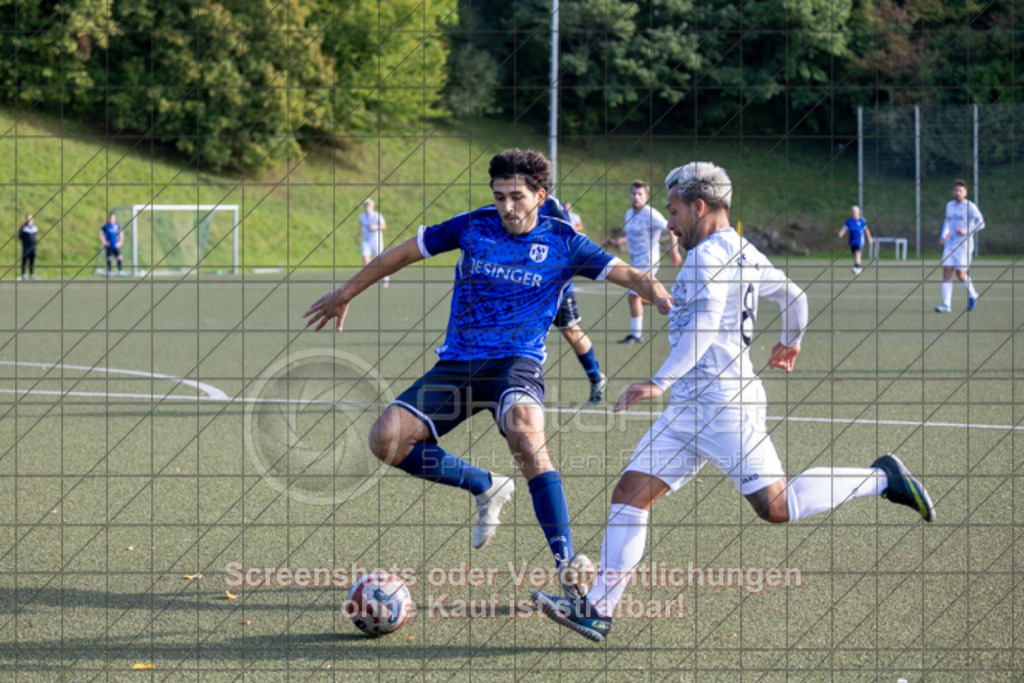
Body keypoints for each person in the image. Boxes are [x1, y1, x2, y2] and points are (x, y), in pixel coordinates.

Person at [533, 161, 935, 643]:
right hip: (691, 406)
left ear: (699, 207)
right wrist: (790, 340)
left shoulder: (706, 257)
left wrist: (657, 381)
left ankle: (882, 478)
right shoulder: (740, 249)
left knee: (776, 506)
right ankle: (598, 609)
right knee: (630, 495)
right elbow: (794, 297)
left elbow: (705, 327)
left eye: (676, 209)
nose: (672, 221)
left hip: (724, 405)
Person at [304, 149, 672, 594]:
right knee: (385, 439)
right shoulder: (473, 225)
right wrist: (346, 292)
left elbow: (630, 275)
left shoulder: (564, 241)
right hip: (458, 363)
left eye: (516, 196)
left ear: (540, 195)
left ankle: (566, 562)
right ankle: (485, 486)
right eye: (499, 197)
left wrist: (667, 299)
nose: (507, 207)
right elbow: (401, 255)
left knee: (524, 431)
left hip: (515, 363)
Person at [544, 198, 607, 404]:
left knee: (571, 331)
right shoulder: (508, 201)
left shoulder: (551, 205)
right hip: (523, 283)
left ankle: (596, 377)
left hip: (555, 282)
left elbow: (567, 239)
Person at [604, 180, 682, 343]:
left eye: (639, 194)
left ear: (646, 197)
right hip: (636, 260)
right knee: (638, 297)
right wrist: (616, 242)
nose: (636, 197)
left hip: (648, 260)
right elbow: (632, 235)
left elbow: (670, 228)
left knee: (633, 296)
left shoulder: (650, 214)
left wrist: (674, 251)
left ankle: (636, 335)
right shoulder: (629, 214)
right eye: (633, 193)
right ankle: (675, 303)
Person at [935, 179, 984, 312]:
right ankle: (946, 305)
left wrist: (966, 231)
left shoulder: (970, 206)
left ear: (965, 193)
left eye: (960, 190)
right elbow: (947, 221)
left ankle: (973, 294)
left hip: (964, 245)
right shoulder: (949, 205)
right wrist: (943, 235)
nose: (957, 192)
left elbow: (981, 223)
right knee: (947, 271)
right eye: (956, 190)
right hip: (950, 244)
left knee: (961, 274)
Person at [358, 198, 389, 287]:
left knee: (380, 260)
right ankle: (368, 280)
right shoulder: (362, 216)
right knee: (366, 260)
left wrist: (375, 227)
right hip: (366, 240)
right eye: (366, 205)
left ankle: (385, 278)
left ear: (372, 206)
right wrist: (359, 231)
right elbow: (363, 225)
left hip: (376, 241)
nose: (367, 207)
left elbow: (384, 226)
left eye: (369, 205)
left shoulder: (377, 216)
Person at [838, 205, 872, 275]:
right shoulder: (849, 221)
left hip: (860, 241)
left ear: (858, 212)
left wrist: (869, 238)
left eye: (855, 211)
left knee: (857, 253)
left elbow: (867, 230)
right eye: (853, 211)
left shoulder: (862, 221)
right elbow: (845, 228)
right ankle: (858, 267)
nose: (854, 213)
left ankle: (857, 267)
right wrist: (841, 233)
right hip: (852, 241)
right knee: (855, 254)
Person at [99, 212, 126, 277]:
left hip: (115, 245)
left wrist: (120, 242)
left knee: (119, 257)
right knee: (109, 258)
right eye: (111, 218)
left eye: (113, 218)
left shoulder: (117, 225)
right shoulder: (106, 226)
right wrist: (104, 241)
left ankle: (120, 271)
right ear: (109, 218)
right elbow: (100, 233)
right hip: (109, 246)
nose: (112, 219)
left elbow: (121, 233)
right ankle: (110, 272)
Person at [18, 214, 39, 280]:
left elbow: (35, 237)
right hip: (26, 247)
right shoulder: (23, 227)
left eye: (31, 218)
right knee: (24, 261)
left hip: (33, 247)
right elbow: (20, 236)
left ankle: (32, 274)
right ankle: (23, 274)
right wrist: (25, 241)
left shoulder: (34, 227)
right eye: (28, 218)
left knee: (32, 261)